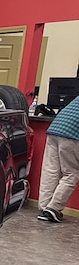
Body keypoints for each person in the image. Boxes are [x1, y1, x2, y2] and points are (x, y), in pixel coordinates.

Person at [37, 93, 79, 222]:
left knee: (50, 170)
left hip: (55, 129)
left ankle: (44, 208)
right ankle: (54, 208)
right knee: (71, 173)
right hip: (72, 134)